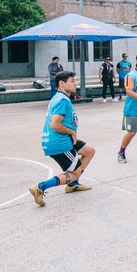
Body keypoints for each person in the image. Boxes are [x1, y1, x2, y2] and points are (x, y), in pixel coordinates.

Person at [30, 71, 95, 207]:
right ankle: (41, 187)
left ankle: (72, 185)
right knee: (75, 173)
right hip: (60, 143)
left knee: (89, 151)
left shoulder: (58, 97)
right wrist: (71, 131)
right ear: (61, 83)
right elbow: (55, 124)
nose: (75, 83)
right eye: (72, 81)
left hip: (64, 139)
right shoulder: (62, 100)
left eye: (75, 80)